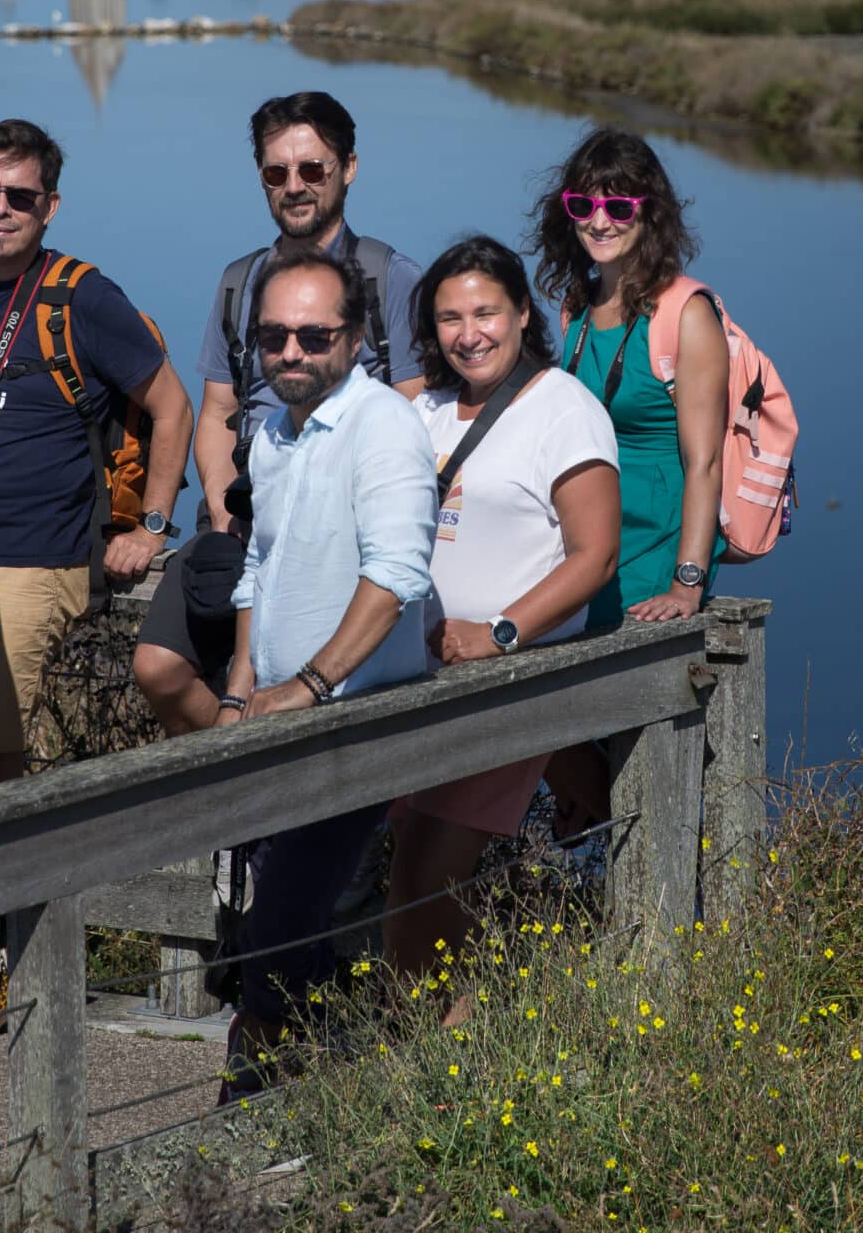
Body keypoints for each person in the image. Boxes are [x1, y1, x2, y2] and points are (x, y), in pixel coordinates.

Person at [0, 118, 193, 1026]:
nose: (2, 211)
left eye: (21, 197)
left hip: (34, 564)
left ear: (50, 205)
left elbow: (170, 402)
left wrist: (151, 526)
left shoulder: (82, 297)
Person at [215, 239, 436, 1092]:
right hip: (276, 717)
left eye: (314, 336)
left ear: (355, 336)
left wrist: (309, 687)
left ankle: (263, 1099)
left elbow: (397, 574)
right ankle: (304, 1094)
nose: (292, 354)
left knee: (282, 917)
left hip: (352, 721)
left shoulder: (384, 427)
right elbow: (259, 567)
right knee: (282, 916)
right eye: (274, 338)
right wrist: (242, 687)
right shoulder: (273, 429)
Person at [134, 89, 422, 735]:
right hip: (245, 517)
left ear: (348, 168)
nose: (295, 186)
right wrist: (221, 505)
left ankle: (250, 801)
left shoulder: (386, 277)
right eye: (277, 173)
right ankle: (232, 784)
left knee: (311, 694)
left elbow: (415, 412)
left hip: (337, 522)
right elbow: (217, 413)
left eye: (312, 169)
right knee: (157, 663)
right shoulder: (242, 282)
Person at [381, 236, 619, 983]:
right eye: (450, 317)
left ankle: (435, 1055)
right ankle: (455, 1044)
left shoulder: (563, 411)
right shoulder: (427, 408)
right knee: (415, 876)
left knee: (423, 874)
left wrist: (502, 633)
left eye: (486, 311)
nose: (469, 333)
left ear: (523, 313)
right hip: (417, 681)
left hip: (504, 684)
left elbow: (594, 555)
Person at [530, 127, 729, 837]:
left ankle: (638, 865)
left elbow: (705, 462)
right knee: (531, 703)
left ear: (650, 210)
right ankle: (597, 832)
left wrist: (687, 581)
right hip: (589, 548)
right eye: (583, 204)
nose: (600, 221)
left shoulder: (686, 312)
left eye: (619, 205)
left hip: (653, 555)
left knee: (628, 735)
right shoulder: (576, 309)